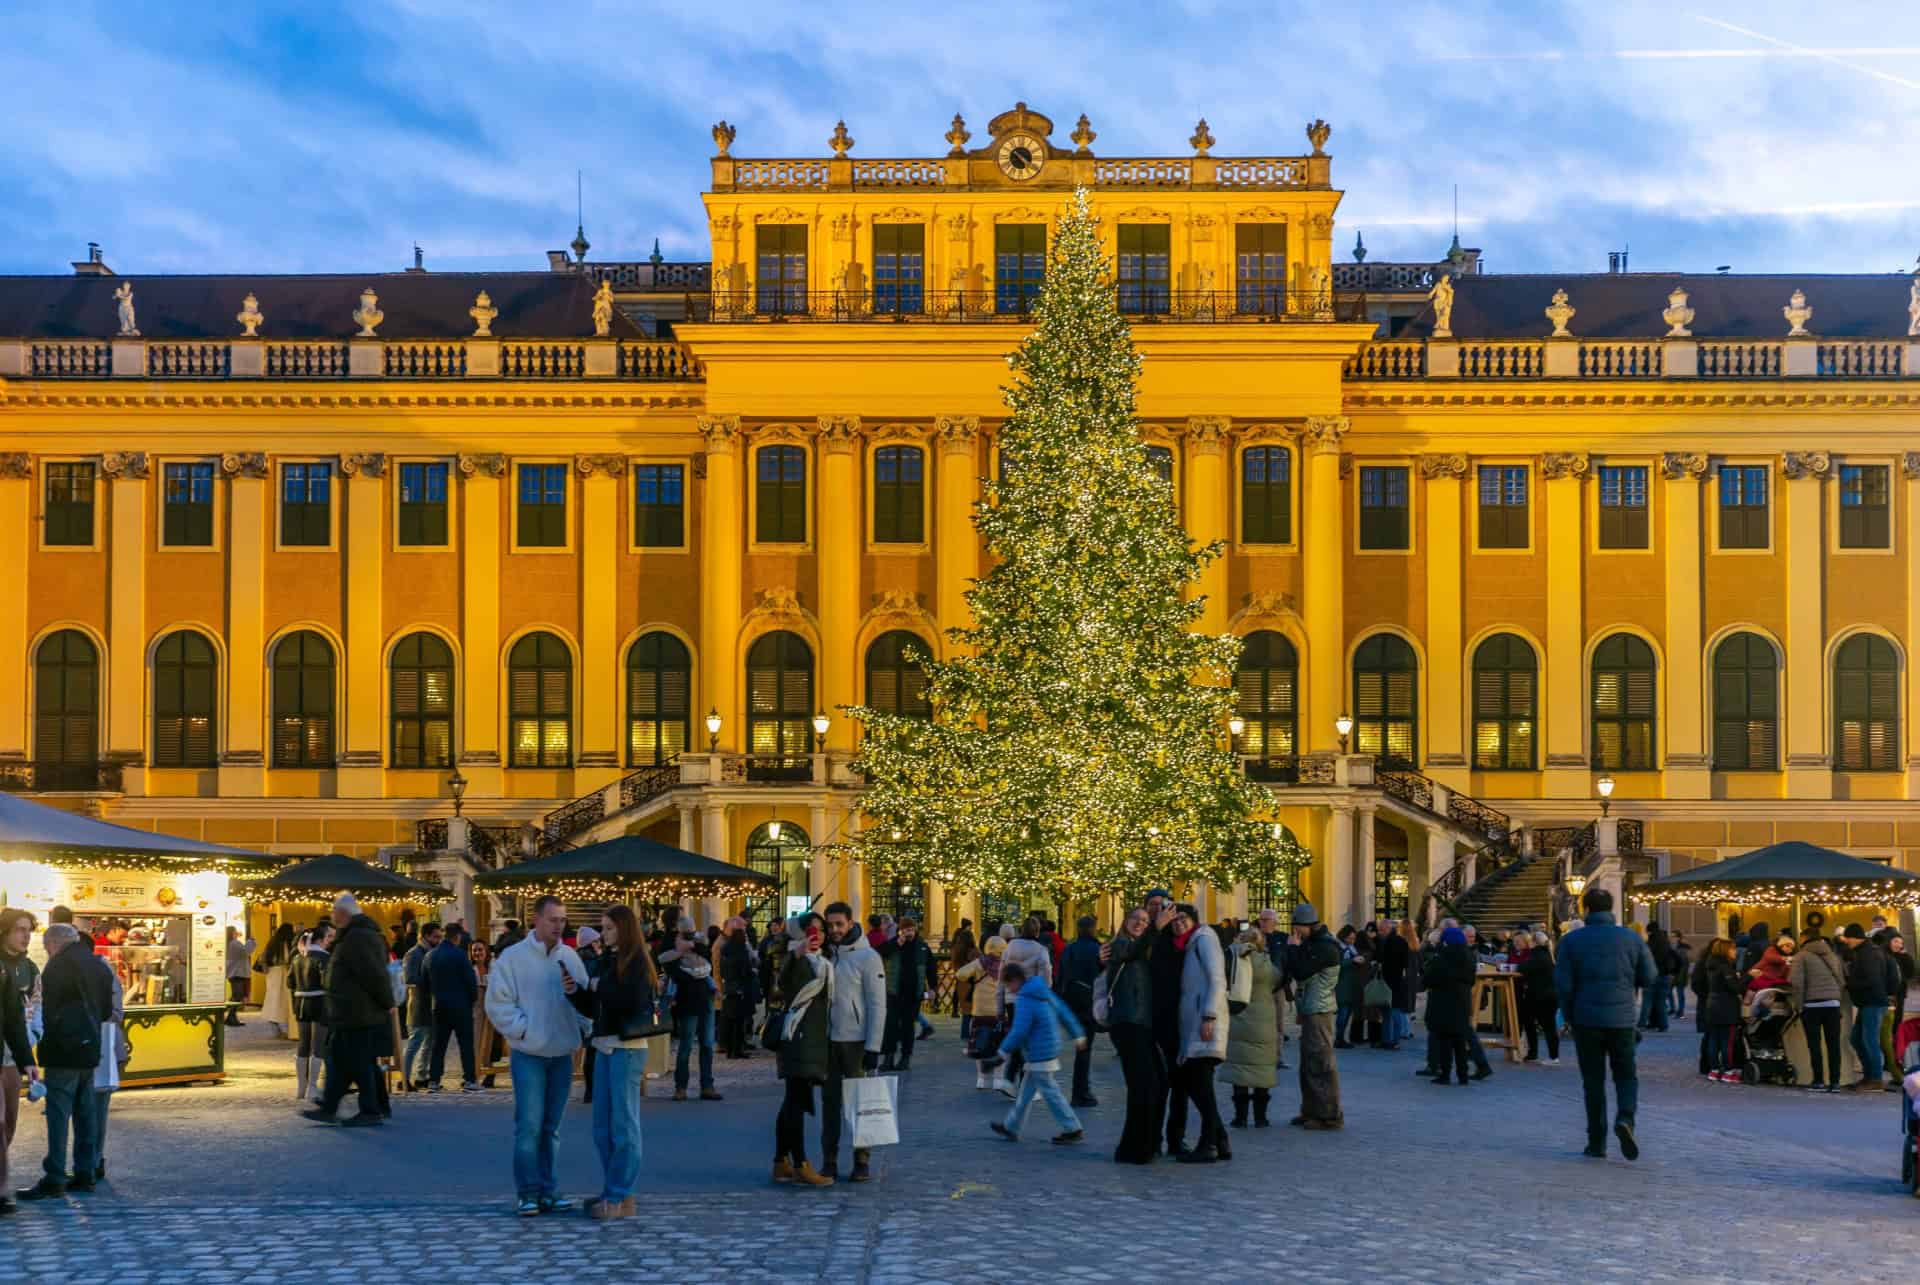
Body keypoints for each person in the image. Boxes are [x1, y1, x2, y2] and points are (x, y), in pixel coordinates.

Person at [484, 894, 592, 1215]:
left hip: (561, 1052)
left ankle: (549, 1188)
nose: (559, 926)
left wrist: (583, 1028)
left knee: (551, 1127)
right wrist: (522, 1030)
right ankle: (528, 1191)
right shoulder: (513, 958)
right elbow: (498, 1003)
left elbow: (583, 997)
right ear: (537, 920)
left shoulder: (571, 957)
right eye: (553, 920)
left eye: (563, 920)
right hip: (529, 1052)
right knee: (529, 1125)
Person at [1554, 887, 1657, 1159]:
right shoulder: (1631, 939)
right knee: (1625, 1075)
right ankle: (1625, 1118)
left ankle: (1596, 1142)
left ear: (1586, 910)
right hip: (1622, 1019)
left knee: (1593, 1081)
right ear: (1611, 909)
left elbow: (1563, 985)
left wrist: (1570, 1015)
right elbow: (1649, 976)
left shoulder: (1571, 941)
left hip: (1586, 1019)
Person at [17, 921, 111, 1200]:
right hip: (90, 1049)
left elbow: (45, 1008)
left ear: (54, 944)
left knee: (58, 1115)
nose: (47, 952)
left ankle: (55, 1176)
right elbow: (106, 1010)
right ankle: (86, 1173)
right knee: (86, 1114)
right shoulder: (98, 964)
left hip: (62, 1051)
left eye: (47, 947)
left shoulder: (58, 966)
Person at [582, 905, 658, 1220]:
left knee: (624, 1126)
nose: (604, 934)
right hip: (603, 1045)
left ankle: (616, 1196)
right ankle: (619, 1193)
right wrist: (577, 990)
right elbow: (595, 1004)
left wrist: (599, 986)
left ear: (624, 929)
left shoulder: (638, 961)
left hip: (627, 1048)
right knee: (602, 1127)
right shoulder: (607, 960)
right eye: (603, 928)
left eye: (610, 928)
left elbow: (631, 1000)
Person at [303, 895, 394, 1126]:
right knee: (343, 1061)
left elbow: (373, 975)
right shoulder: (353, 936)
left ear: (345, 914)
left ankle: (370, 1111)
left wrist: (387, 1002)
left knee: (355, 1062)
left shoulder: (358, 938)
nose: (332, 915)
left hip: (358, 1012)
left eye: (335, 911)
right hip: (349, 1012)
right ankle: (336, 1107)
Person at [820, 901, 886, 1183]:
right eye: (830, 924)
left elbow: (877, 1004)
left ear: (850, 924)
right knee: (829, 1104)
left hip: (856, 1042)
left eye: (839, 924)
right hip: (828, 1041)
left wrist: (873, 1046)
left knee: (861, 1104)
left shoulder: (867, 956)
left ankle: (862, 1160)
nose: (834, 929)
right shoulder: (825, 955)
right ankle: (830, 1160)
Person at [988, 961, 1085, 1145]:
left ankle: (1072, 1128)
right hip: (1049, 1047)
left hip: (1038, 1052)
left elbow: (1019, 1031)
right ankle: (1011, 1126)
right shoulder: (1041, 990)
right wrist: (1077, 1034)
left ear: (1015, 980)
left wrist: (1001, 1053)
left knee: (1050, 1092)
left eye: (1009, 985)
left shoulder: (1024, 999)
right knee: (1025, 1093)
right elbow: (1062, 1010)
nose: (1009, 989)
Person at [772, 912, 835, 1187]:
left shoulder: (823, 962)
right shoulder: (794, 959)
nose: (817, 935)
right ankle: (800, 1164)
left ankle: (780, 1161)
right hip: (797, 1038)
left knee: (792, 1102)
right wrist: (795, 955)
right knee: (796, 1103)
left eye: (821, 930)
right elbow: (783, 983)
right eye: (812, 930)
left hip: (813, 1039)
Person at [1101, 906, 1159, 1163]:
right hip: (1126, 1022)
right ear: (1125, 921)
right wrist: (1156, 927)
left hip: (1140, 1022)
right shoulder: (1119, 944)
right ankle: (1132, 1149)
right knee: (1141, 1085)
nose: (1140, 923)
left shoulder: (1141, 947)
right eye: (1136, 918)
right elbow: (1130, 953)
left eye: (1145, 921)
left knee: (1146, 1085)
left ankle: (1137, 1146)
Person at [1285, 902, 1344, 1130]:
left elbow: (1300, 971)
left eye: (1297, 927)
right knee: (1309, 1062)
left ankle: (1328, 1115)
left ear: (1307, 924)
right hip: (1311, 1008)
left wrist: (1292, 948)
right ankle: (1310, 1110)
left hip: (1320, 1010)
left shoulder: (1325, 947)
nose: (1295, 932)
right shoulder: (1315, 943)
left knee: (1320, 1062)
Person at [0, 909, 42, 1213]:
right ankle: (1, 1189)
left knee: (9, 1122)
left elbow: (16, 1019)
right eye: (19, 929)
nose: (25, 935)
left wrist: (28, 1057)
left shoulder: (28, 968)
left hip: (10, 1057)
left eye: (29, 930)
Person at [1224, 926, 1281, 1128]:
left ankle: (1240, 1118)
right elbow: (1277, 979)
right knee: (1262, 1071)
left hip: (1239, 1017)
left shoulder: (1234, 959)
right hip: (1263, 1020)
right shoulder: (1265, 962)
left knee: (1239, 1070)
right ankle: (1260, 1118)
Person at [661, 927, 721, 1101]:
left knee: (707, 1045)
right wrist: (681, 952)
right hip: (686, 1001)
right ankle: (681, 1087)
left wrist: (691, 946)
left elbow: (706, 955)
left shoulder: (698, 946)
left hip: (705, 1000)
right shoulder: (672, 951)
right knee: (686, 1046)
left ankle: (707, 1086)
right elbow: (672, 971)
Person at [1839, 922, 1899, 1091]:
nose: (1846, 942)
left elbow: (1872, 980)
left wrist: (1850, 984)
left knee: (1869, 1040)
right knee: (1857, 1039)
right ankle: (1869, 1076)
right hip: (1870, 1002)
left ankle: (1875, 1078)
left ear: (1855, 938)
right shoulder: (1867, 951)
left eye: (1848, 938)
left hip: (1873, 1001)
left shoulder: (1868, 954)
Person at [1788, 928, 1845, 1092]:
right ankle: (1835, 1082)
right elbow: (1841, 979)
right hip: (1833, 1005)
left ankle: (1818, 1081)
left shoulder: (1801, 956)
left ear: (1804, 938)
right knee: (1833, 1045)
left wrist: (1799, 1006)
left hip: (1812, 1005)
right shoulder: (1832, 955)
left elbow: (1797, 983)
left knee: (1814, 1045)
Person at [876, 916, 933, 1072]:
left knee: (908, 1027)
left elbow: (930, 967)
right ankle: (889, 1058)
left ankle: (905, 1058)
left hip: (913, 995)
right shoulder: (894, 943)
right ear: (900, 930)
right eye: (906, 929)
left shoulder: (921, 946)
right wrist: (896, 943)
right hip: (894, 993)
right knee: (891, 1027)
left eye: (911, 929)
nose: (909, 932)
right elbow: (879, 952)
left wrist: (932, 987)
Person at [428, 924, 481, 1092]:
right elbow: (470, 981)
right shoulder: (460, 955)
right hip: (460, 1006)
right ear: (457, 937)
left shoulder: (431, 955)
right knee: (465, 1044)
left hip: (439, 1005)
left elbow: (423, 980)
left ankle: (434, 1080)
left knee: (438, 1045)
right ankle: (470, 1080)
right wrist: (472, 1000)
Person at [1422, 926, 1478, 1085]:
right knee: (1460, 1041)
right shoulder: (1468, 956)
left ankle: (1445, 1074)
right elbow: (1471, 980)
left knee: (1445, 1041)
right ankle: (1463, 1075)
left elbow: (1428, 979)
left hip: (1443, 1004)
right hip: (1462, 1003)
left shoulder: (1442, 957)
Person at [1058, 915, 1103, 1107]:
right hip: (1089, 1002)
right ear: (1093, 928)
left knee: (1081, 1046)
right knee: (1085, 1049)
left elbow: (1061, 975)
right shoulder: (1097, 949)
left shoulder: (1070, 949)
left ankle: (1081, 1090)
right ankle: (1081, 1091)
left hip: (1072, 1002)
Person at [954, 934, 1008, 1090]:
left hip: (980, 1010)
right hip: (1000, 1011)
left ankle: (981, 1079)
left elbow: (960, 974)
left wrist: (973, 978)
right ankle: (998, 1079)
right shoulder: (1007, 965)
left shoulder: (980, 963)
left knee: (980, 1045)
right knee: (1000, 1046)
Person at [289, 924, 332, 1103]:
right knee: (319, 1044)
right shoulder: (324, 957)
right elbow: (327, 982)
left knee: (303, 1044)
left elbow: (290, 981)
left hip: (301, 1002)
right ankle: (312, 1087)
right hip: (320, 1002)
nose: (330, 941)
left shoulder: (298, 957)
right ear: (320, 940)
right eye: (328, 937)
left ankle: (301, 1087)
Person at [400, 922, 443, 1089]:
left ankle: (421, 1076)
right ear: (425, 936)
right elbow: (409, 978)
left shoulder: (432, 952)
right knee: (414, 1043)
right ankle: (404, 1079)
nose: (439, 940)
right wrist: (432, 981)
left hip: (431, 1005)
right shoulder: (414, 954)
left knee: (429, 1044)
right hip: (418, 1004)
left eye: (440, 937)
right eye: (436, 937)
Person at [1702, 938, 1744, 1083]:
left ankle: (1713, 1070)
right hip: (1726, 1007)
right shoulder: (1726, 967)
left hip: (1712, 1005)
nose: (1735, 952)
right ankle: (1728, 1071)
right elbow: (1735, 987)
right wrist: (1749, 977)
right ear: (1726, 950)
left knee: (1714, 1040)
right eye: (1732, 949)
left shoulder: (1711, 965)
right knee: (1728, 1041)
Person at [1518, 930, 1561, 1064]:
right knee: (1548, 1025)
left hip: (1539, 995)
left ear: (1534, 942)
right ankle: (1550, 1055)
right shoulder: (1547, 954)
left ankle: (1547, 1056)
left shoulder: (1537, 955)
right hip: (1549, 995)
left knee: (1536, 1023)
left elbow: (1524, 968)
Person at [719, 921, 758, 1060]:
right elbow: (746, 971)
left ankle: (730, 1049)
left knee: (730, 1021)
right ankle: (738, 1049)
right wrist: (753, 972)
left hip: (729, 988)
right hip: (741, 989)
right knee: (740, 1021)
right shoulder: (741, 951)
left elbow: (722, 971)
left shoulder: (725, 950)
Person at [1376, 918, 1412, 1050]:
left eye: (1381, 929)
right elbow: (1406, 963)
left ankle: (1389, 1040)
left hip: (1388, 981)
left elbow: (1381, 960)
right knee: (1393, 1011)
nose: (1380, 932)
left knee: (1389, 1013)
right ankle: (1393, 1040)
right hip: (1397, 981)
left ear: (1388, 929)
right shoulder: (1401, 941)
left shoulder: (1385, 942)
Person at [258, 922, 297, 1038]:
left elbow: (264, 958)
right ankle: (285, 1030)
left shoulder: (272, 943)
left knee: (273, 1000)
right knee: (285, 1001)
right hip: (283, 973)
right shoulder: (287, 944)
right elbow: (287, 959)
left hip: (272, 974)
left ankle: (275, 1027)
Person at [1640, 927, 1674, 1031]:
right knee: (1661, 1003)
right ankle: (1663, 1025)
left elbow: (1643, 959)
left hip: (1651, 976)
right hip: (1664, 976)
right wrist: (1673, 972)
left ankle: (1642, 1023)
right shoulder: (1667, 946)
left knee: (1647, 1002)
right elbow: (1678, 959)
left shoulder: (1649, 945)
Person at [949, 919, 978, 1033]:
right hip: (973, 981)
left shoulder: (956, 950)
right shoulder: (973, 951)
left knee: (966, 1010)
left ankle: (964, 1033)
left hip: (961, 980)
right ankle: (974, 1033)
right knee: (974, 1009)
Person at [223, 924, 255, 1028]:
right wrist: (251, 941)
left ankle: (231, 1017)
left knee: (236, 995)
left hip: (233, 972)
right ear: (232, 933)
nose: (237, 933)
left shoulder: (229, 944)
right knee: (237, 996)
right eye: (235, 931)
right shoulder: (234, 943)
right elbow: (246, 951)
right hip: (237, 972)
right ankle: (231, 1017)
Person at [1668, 931, 1693, 1020]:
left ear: (1679, 937)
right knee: (1668, 992)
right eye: (1671, 936)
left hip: (1680, 974)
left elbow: (1685, 963)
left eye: (1674, 936)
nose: (1672, 938)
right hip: (1672, 973)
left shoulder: (1684, 948)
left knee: (1680, 994)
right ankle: (1672, 1008)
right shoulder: (1670, 946)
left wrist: (1681, 975)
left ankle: (1680, 1011)